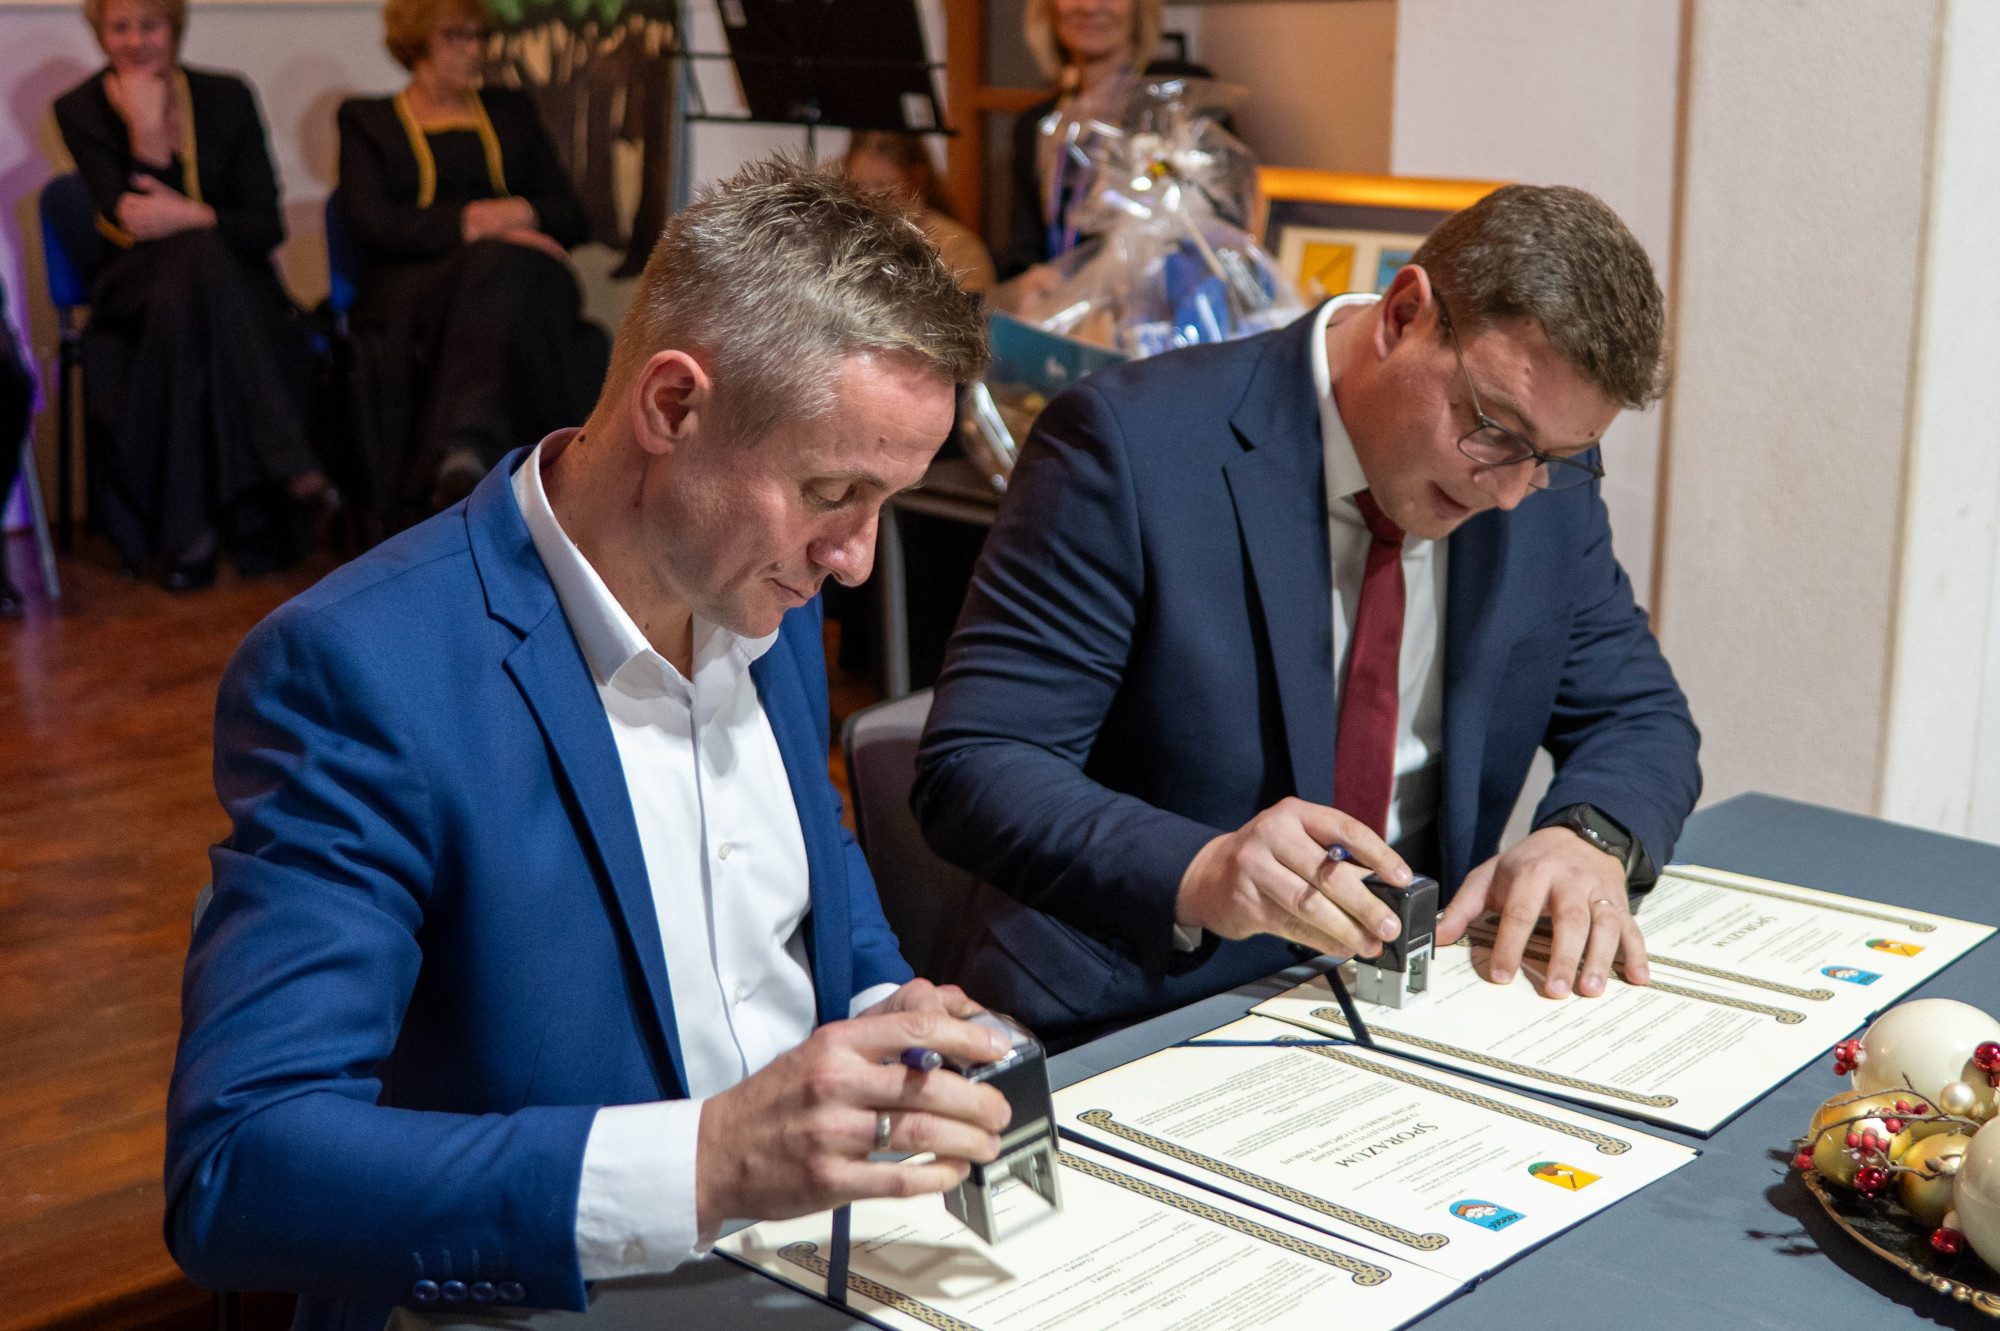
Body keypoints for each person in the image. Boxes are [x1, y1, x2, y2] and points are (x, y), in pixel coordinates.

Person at [165, 157, 997, 1328]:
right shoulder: (363, 670)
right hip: (541, 1293)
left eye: (884, 501)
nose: (854, 557)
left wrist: (887, 1005)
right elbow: (237, 1166)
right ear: (671, 406)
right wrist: (709, 1162)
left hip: (805, 1261)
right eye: (829, 490)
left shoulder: (761, 593)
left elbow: (806, 883)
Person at [914, 185, 1703, 1046]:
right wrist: (1202, 867)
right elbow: (977, 763)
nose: (1513, 490)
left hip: (1401, 1003)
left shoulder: (1541, 489)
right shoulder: (1132, 446)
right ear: (1403, 315)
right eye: (1495, 429)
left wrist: (1588, 837)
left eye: (1558, 455)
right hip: (1140, 1003)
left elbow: (1639, 714)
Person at [54, 0, 328, 589]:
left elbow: (266, 227)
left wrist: (195, 215)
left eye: (149, 25)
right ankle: (285, 456)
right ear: (100, 34)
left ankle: (189, 536)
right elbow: (133, 219)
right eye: (120, 27)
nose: (135, 41)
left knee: (193, 302)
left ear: (174, 28)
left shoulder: (226, 96)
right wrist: (148, 135)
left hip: (226, 294)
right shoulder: (79, 108)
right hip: (134, 288)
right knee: (196, 264)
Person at [337, 0, 606, 528]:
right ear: (417, 45)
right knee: (498, 268)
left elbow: (573, 218)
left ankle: (465, 446)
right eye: (455, 37)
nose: (474, 50)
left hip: (527, 280)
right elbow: (372, 223)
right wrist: (476, 223)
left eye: (479, 36)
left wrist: (521, 213)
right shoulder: (367, 120)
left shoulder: (511, 111)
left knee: (505, 273)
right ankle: (536, 478)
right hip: (419, 288)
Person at [843, 131, 996, 296]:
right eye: (859, 185)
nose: (869, 197)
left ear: (916, 179)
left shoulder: (959, 247)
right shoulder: (845, 235)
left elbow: (975, 307)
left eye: (882, 185)